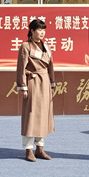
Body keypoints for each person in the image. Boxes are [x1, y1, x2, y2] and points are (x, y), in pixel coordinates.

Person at [16, 18, 55, 162]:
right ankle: (28, 149)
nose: (42, 32)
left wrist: (52, 83)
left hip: (45, 83)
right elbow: (21, 68)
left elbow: (51, 66)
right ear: (32, 31)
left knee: (43, 115)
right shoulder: (25, 46)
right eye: (39, 29)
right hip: (32, 82)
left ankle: (40, 148)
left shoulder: (46, 46)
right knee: (30, 116)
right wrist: (23, 86)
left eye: (44, 30)